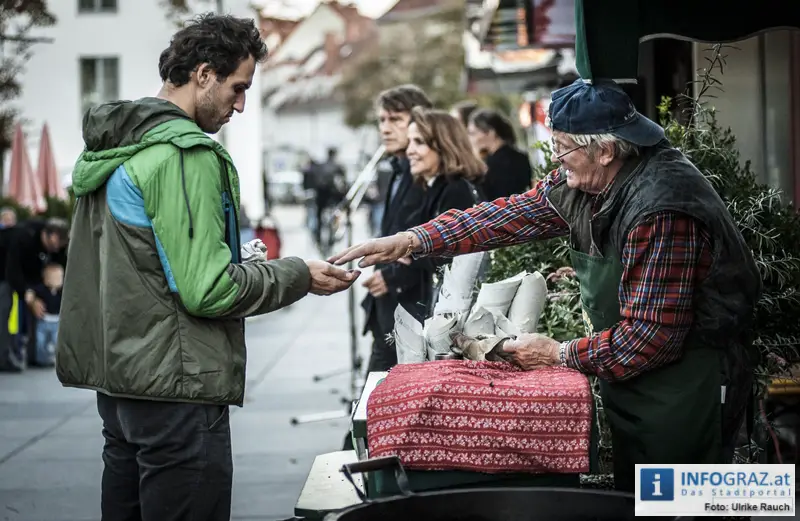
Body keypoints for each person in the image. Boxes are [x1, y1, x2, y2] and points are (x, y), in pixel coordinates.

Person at [330, 78, 762, 493]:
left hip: (689, 384)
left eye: (563, 149)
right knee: (641, 500)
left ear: (606, 150)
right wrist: (412, 240)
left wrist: (558, 353)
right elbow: (506, 217)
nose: (556, 159)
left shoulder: (662, 211)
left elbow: (649, 339)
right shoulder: (587, 181)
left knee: (683, 504)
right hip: (640, 384)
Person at [55, 13, 359, 521]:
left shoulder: (116, 149)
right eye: (238, 88)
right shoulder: (183, 155)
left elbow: (143, 269)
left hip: (121, 388)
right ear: (202, 75)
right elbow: (208, 290)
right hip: (176, 390)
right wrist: (297, 274)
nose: (241, 105)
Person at [360, 84, 433, 372]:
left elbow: (435, 241)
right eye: (382, 120)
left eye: (395, 120)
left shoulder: (425, 174)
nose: (386, 129)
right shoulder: (396, 171)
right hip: (387, 308)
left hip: (412, 309)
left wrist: (394, 276)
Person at [405, 106, 486, 315]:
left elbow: (448, 257)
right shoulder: (434, 187)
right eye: (410, 142)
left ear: (444, 145)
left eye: (419, 142)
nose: (409, 150)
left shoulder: (456, 190)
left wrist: (409, 251)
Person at [1, 217, 69, 370]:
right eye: (59, 242)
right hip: (4, 267)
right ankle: (3, 358)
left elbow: (55, 265)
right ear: (51, 235)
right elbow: (13, 271)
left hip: (27, 273)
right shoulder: (24, 236)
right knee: (5, 305)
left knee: (38, 305)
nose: (58, 248)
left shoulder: (55, 246)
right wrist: (27, 294)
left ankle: (35, 354)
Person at [468, 108, 533, 200]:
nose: (470, 139)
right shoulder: (520, 156)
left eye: (473, 133)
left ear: (490, 132)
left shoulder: (493, 164)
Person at [31, 262, 63, 367]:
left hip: (57, 321)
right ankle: (41, 359)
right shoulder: (41, 289)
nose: (59, 280)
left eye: (60, 277)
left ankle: (58, 359)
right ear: (46, 279)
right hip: (43, 320)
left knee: (57, 342)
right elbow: (32, 293)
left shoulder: (62, 292)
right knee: (40, 341)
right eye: (55, 278)